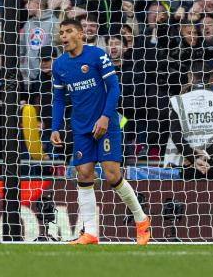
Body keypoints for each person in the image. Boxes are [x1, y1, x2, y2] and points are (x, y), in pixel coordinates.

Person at [49, 18, 150, 245]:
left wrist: (105, 117)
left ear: (80, 34)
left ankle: (141, 219)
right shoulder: (59, 65)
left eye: (68, 31)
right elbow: (58, 99)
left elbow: (114, 89)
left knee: (112, 175)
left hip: (106, 124)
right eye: (61, 32)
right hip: (81, 127)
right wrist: (55, 128)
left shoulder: (97, 55)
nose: (63, 36)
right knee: (83, 174)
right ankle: (91, 233)